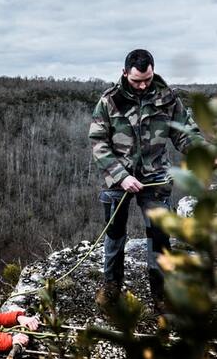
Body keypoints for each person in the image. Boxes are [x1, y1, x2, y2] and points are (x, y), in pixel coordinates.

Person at [88, 49, 205, 313]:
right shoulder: (109, 102)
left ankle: (161, 295)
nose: (142, 85)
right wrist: (121, 176)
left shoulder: (168, 98)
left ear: (153, 71)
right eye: (136, 80)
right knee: (115, 234)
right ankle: (111, 286)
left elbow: (185, 134)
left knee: (160, 237)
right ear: (124, 73)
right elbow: (98, 143)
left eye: (147, 79)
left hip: (155, 178)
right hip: (118, 179)